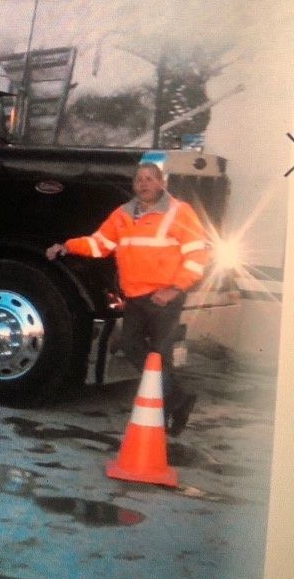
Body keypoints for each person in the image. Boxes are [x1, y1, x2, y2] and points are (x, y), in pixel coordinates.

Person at [46, 162, 209, 436]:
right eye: (138, 180)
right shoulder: (122, 214)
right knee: (130, 344)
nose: (143, 184)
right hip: (134, 297)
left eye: (149, 179)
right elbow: (100, 244)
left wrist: (174, 289)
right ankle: (178, 398)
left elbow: (197, 256)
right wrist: (67, 246)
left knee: (160, 354)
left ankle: (166, 409)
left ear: (162, 183)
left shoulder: (180, 212)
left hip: (163, 298)